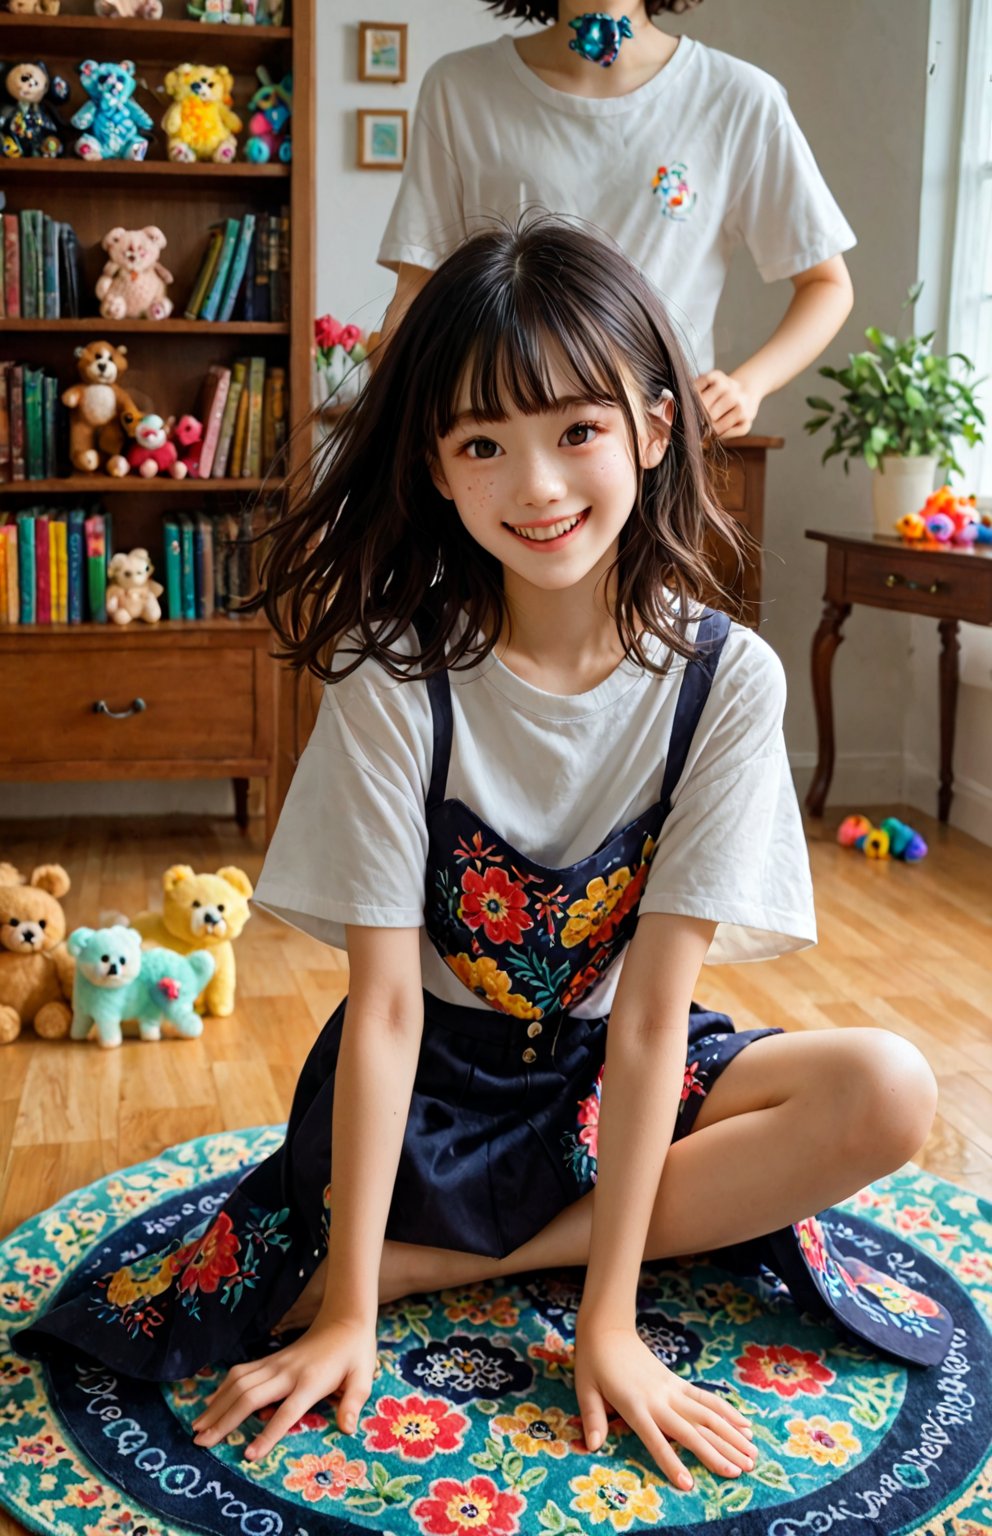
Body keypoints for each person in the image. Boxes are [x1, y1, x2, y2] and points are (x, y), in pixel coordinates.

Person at [18, 221, 948, 1491]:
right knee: (296, 1288)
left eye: (576, 429)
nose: (538, 485)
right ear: (437, 471)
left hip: (612, 1066)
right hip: (433, 1096)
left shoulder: (726, 680)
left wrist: (607, 1323)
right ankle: (401, 1259)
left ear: (656, 429)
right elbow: (387, 1011)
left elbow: (651, 1025)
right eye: (481, 444)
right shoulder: (395, 677)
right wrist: (348, 1308)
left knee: (890, 1086)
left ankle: (472, 1265)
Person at [376, 0, 855, 438]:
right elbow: (419, 283)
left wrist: (749, 386)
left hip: (662, 433)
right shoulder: (461, 87)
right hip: (509, 428)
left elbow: (826, 283)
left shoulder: (738, 97)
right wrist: (390, 378)